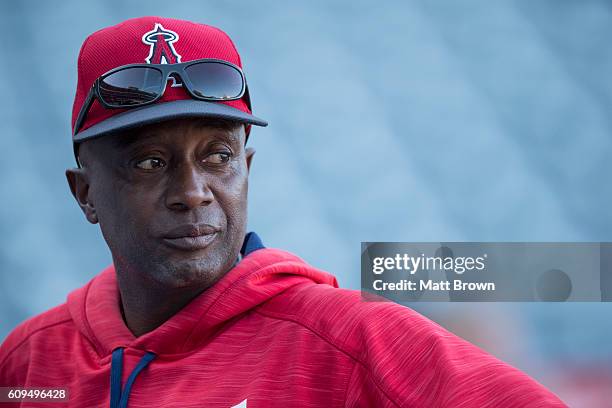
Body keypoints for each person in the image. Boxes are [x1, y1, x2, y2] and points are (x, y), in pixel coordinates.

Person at [0, 16, 567, 407]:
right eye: (149, 163)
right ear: (85, 194)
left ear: (248, 169)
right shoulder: (27, 363)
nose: (192, 191)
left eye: (218, 157)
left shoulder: (358, 340)